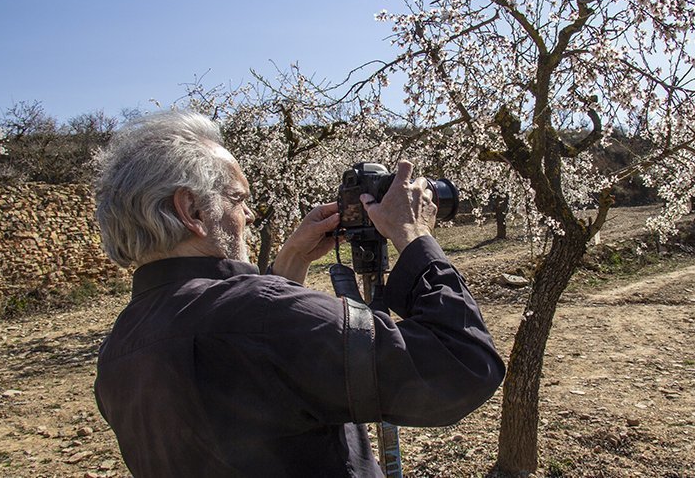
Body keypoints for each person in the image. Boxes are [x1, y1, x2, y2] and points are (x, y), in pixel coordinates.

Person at [92, 110, 505, 477]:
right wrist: (414, 236)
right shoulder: (262, 315)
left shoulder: (118, 348)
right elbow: (462, 366)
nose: (250, 216)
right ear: (192, 211)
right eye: (238, 199)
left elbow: (257, 389)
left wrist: (289, 262)